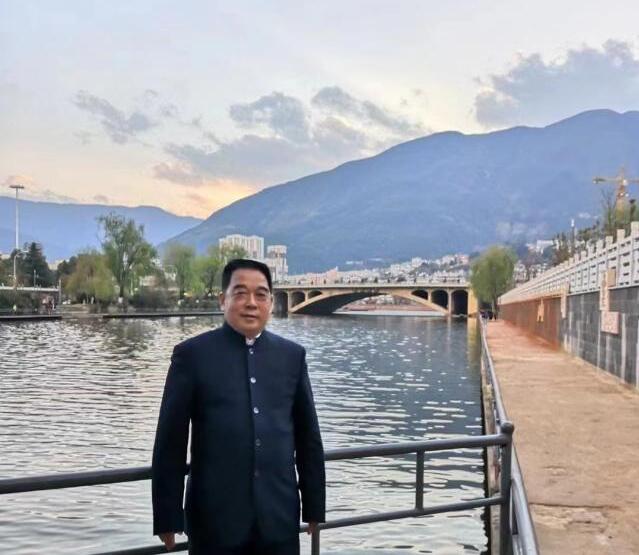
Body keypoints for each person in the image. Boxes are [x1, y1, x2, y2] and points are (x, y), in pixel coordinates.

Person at [152, 259, 325, 554]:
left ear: (271, 302)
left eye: (261, 294)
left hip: (279, 519)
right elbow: (171, 442)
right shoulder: (192, 356)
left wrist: (314, 506)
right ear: (223, 299)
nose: (251, 303)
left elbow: (308, 438)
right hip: (213, 522)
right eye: (241, 293)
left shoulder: (292, 356)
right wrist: (167, 517)